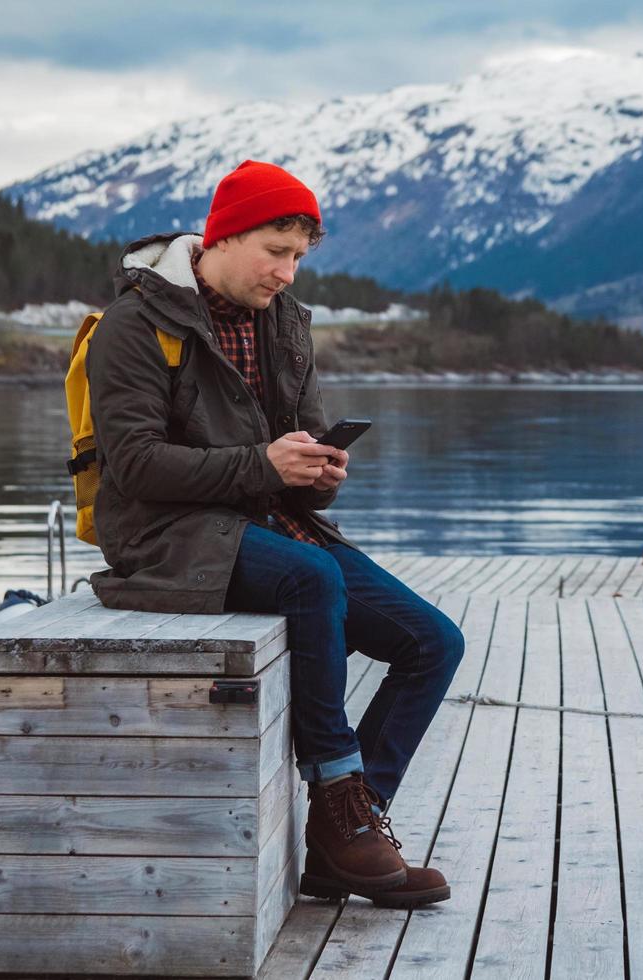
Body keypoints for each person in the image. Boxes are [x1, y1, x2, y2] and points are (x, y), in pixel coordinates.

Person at [85, 159, 465, 908]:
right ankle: (339, 798)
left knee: (433, 642)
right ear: (224, 237)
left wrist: (318, 468)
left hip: (271, 520)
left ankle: (346, 831)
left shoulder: (285, 323)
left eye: (299, 257)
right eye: (276, 252)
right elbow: (133, 467)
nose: (288, 274)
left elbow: (304, 431)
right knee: (310, 577)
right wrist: (264, 465)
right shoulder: (134, 325)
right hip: (167, 534)